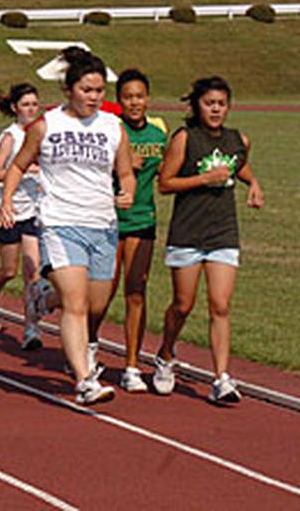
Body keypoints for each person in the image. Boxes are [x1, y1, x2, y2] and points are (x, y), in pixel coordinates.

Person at [0, 49, 136, 405]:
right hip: (60, 222)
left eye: (99, 91)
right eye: (87, 90)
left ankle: (44, 295)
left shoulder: (112, 127)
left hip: (102, 225)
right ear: (69, 89)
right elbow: (16, 166)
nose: (94, 97)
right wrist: (8, 201)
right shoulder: (47, 125)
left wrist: (128, 193)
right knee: (75, 305)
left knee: (94, 304)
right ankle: (84, 380)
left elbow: (125, 173)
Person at [154, 76, 263, 405]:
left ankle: (221, 378)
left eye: (221, 103)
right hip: (188, 233)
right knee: (183, 305)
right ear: (197, 105)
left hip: (223, 232)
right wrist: (205, 178)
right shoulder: (185, 138)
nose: (216, 109)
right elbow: (165, 183)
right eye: (209, 103)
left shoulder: (238, 139)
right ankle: (165, 353)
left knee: (221, 305)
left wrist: (254, 184)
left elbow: (239, 166)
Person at [92, 69, 168, 393]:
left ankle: (132, 366)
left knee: (136, 292)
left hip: (143, 221)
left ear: (147, 98)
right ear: (119, 100)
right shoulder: (110, 132)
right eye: (128, 97)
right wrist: (119, 164)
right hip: (108, 221)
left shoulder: (158, 134)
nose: (134, 102)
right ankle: (89, 345)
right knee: (103, 294)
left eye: (139, 96)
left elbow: (166, 173)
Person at [0, 83, 44, 347]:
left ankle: (31, 329)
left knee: (33, 272)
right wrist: (23, 171)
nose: (31, 109)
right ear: (15, 108)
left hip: (34, 211)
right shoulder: (10, 137)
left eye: (34, 104)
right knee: (9, 270)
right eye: (26, 105)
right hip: (9, 211)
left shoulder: (43, 133)